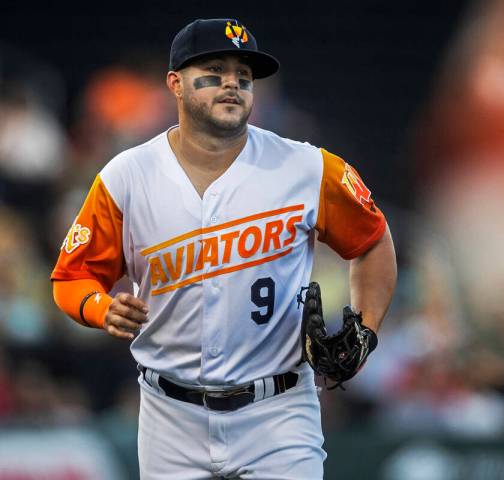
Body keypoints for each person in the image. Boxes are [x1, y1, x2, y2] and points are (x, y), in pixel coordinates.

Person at [50, 18, 397, 479]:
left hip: (277, 412)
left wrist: (367, 329)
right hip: (169, 415)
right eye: (213, 72)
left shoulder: (307, 167)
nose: (232, 83)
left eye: (243, 76)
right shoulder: (126, 177)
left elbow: (373, 241)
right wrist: (98, 307)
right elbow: (71, 278)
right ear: (174, 84)